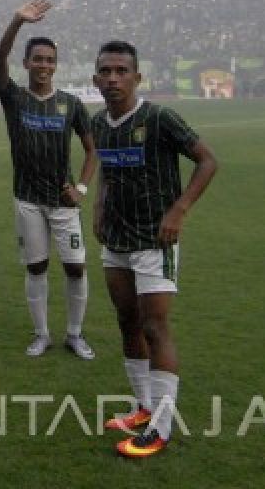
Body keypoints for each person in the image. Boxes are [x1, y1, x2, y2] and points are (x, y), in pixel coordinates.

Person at [91, 40, 218, 458]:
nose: (113, 78)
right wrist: (97, 208)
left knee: (155, 328)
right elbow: (107, 173)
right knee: (127, 323)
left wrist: (179, 210)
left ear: (136, 77)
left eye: (121, 71)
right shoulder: (98, 124)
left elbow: (207, 161)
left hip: (154, 242)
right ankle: (144, 407)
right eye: (106, 71)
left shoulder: (159, 118)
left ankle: (160, 428)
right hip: (116, 240)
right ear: (96, 78)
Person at [0, 0, 98, 361]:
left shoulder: (70, 103)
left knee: (76, 267)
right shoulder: (15, 99)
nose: (44, 65)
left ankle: (74, 334)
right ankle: (41, 334)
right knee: (37, 267)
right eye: (37, 59)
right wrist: (16, 21)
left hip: (63, 202)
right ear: (26, 63)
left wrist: (81, 187)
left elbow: (92, 148)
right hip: (27, 199)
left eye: (50, 60)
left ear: (56, 65)